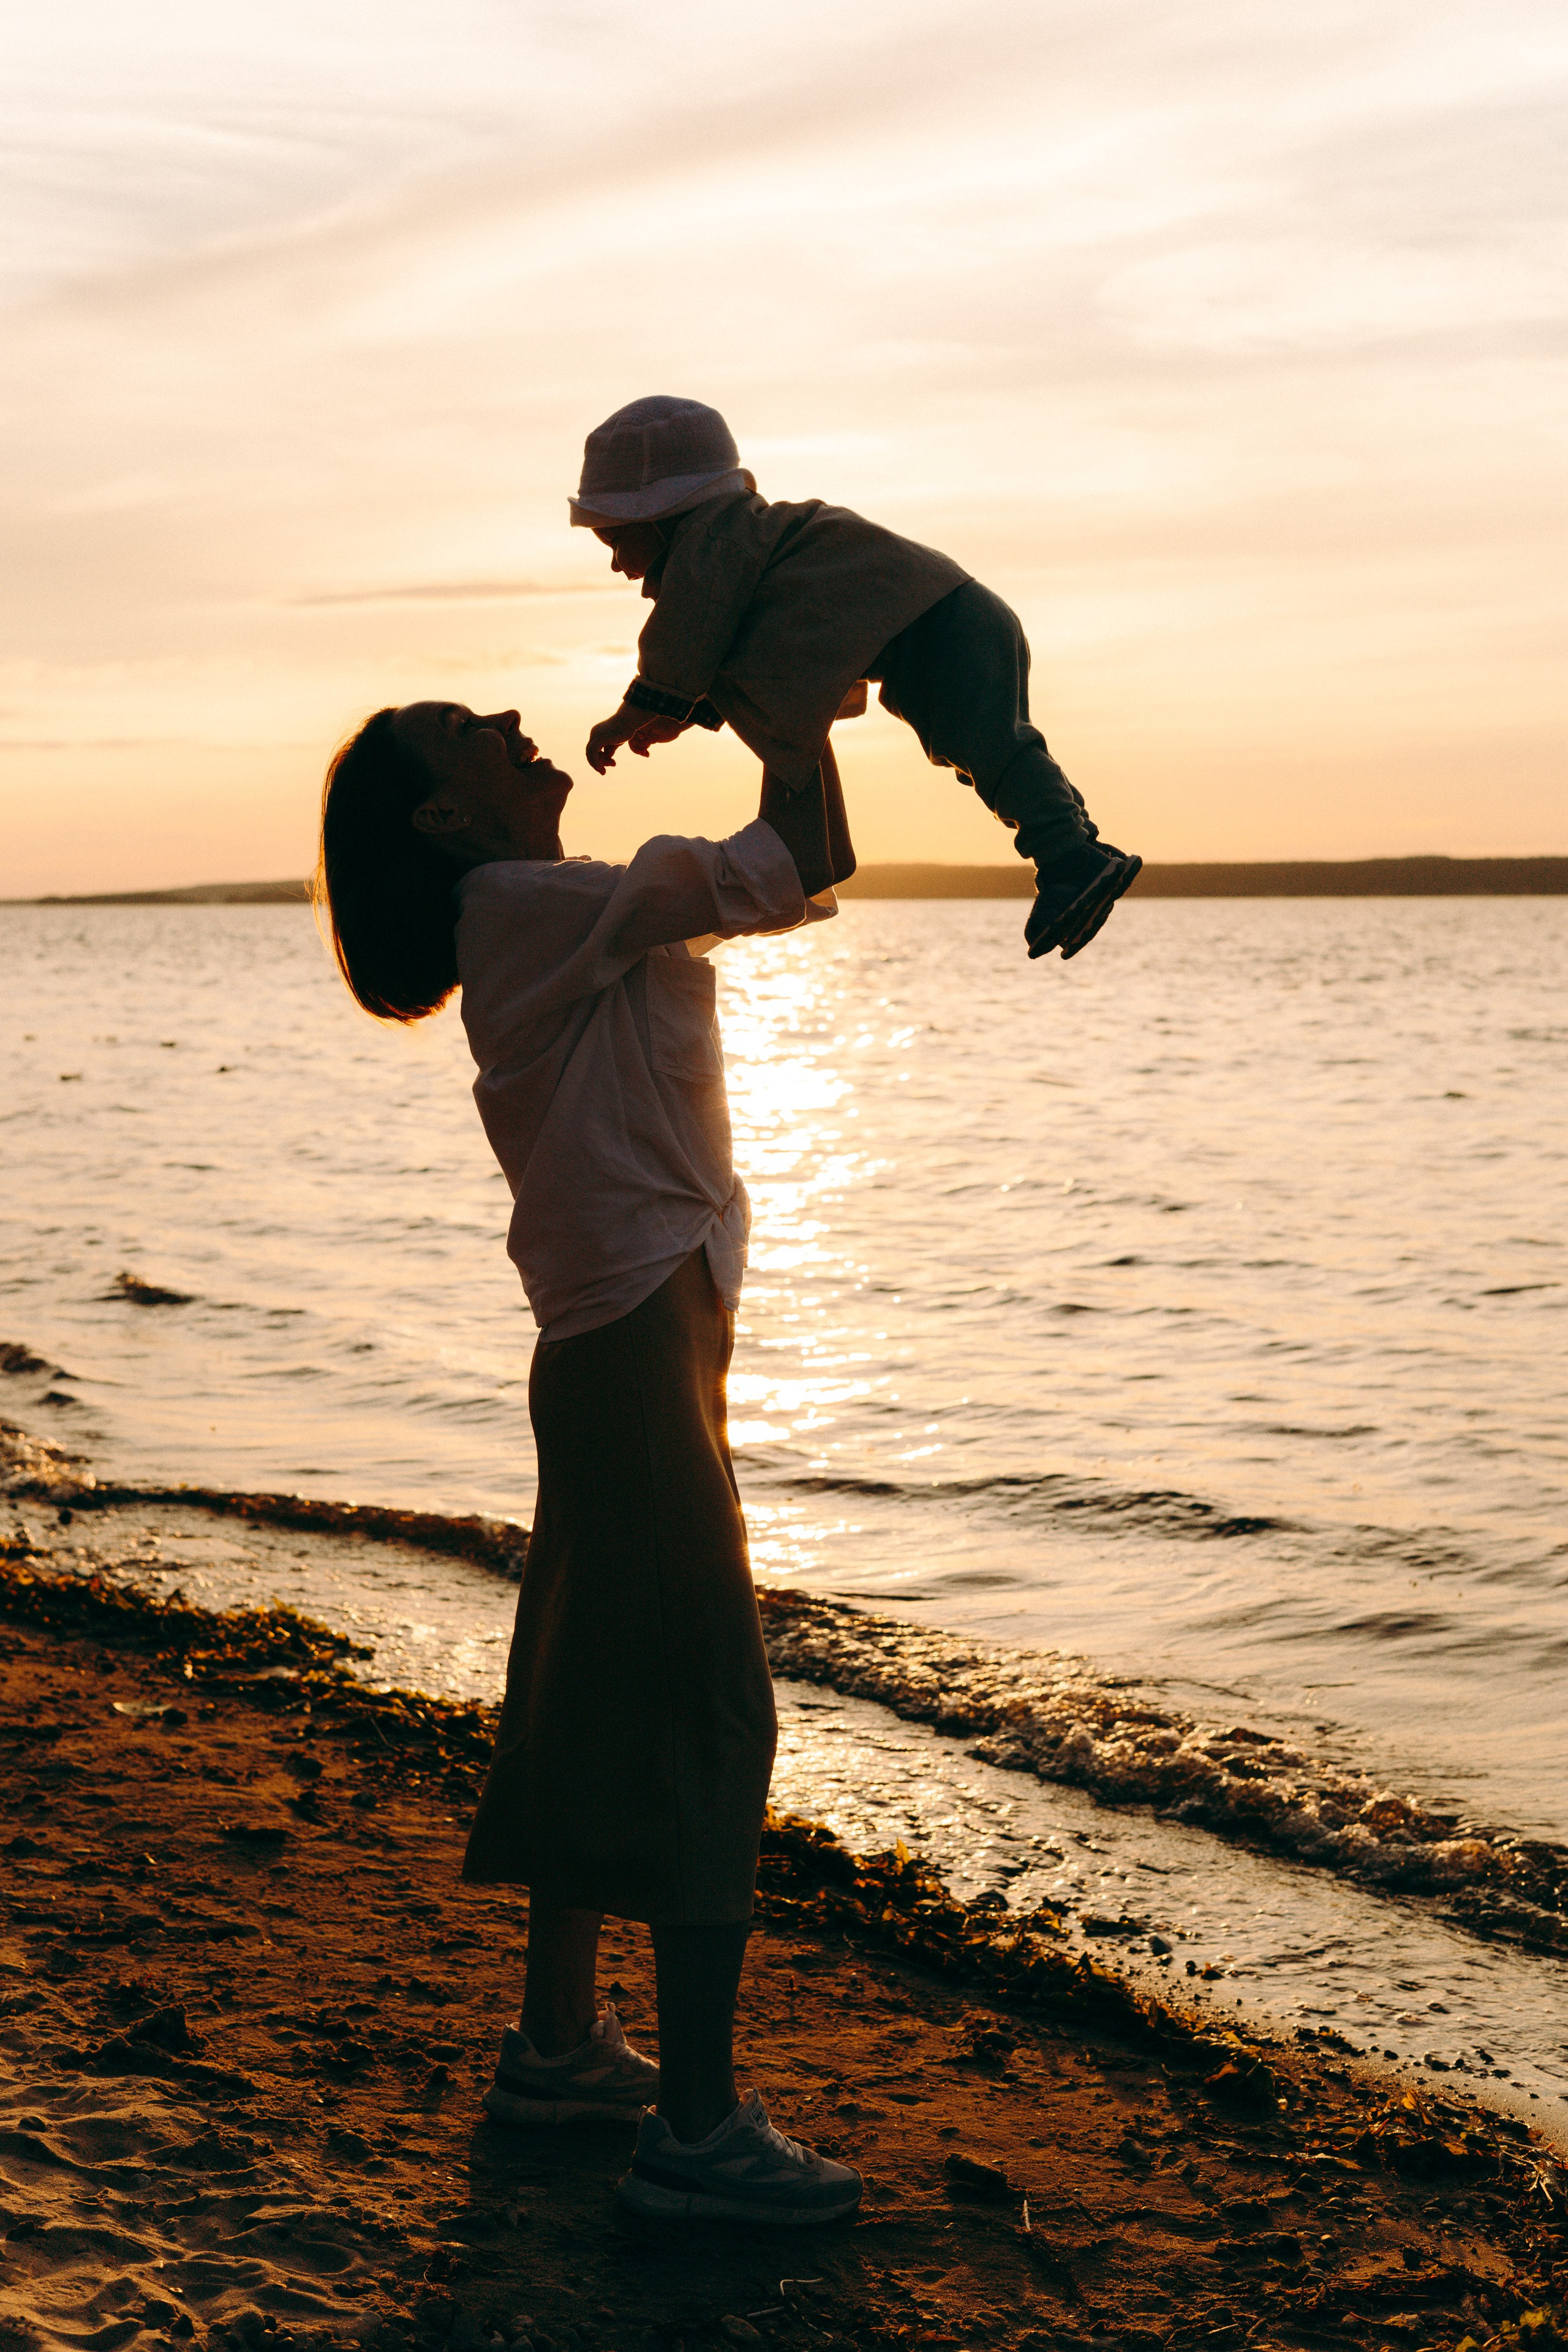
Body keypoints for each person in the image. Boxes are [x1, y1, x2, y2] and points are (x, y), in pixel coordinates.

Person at [315, 701, 862, 2227]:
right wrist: (779, 694)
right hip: (629, 1343)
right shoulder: (526, 901)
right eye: (460, 729)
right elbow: (803, 855)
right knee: (704, 1705)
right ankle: (695, 2127)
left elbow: (779, 874)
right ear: (442, 817)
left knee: (590, 1680)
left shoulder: (548, 913)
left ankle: (560, 2042)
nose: (506, 717)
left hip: (627, 1339)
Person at [573, 393, 1142, 962]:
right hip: (940, 623)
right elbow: (744, 644)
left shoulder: (715, 543)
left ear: (661, 517)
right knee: (989, 751)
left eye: (618, 540)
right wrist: (680, 713)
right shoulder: (748, 543)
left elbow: (686, 632)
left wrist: (633, 713)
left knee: (992, 749)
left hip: (941, 626)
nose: (617, 564)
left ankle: (1070, 859)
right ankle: (1082, 851)